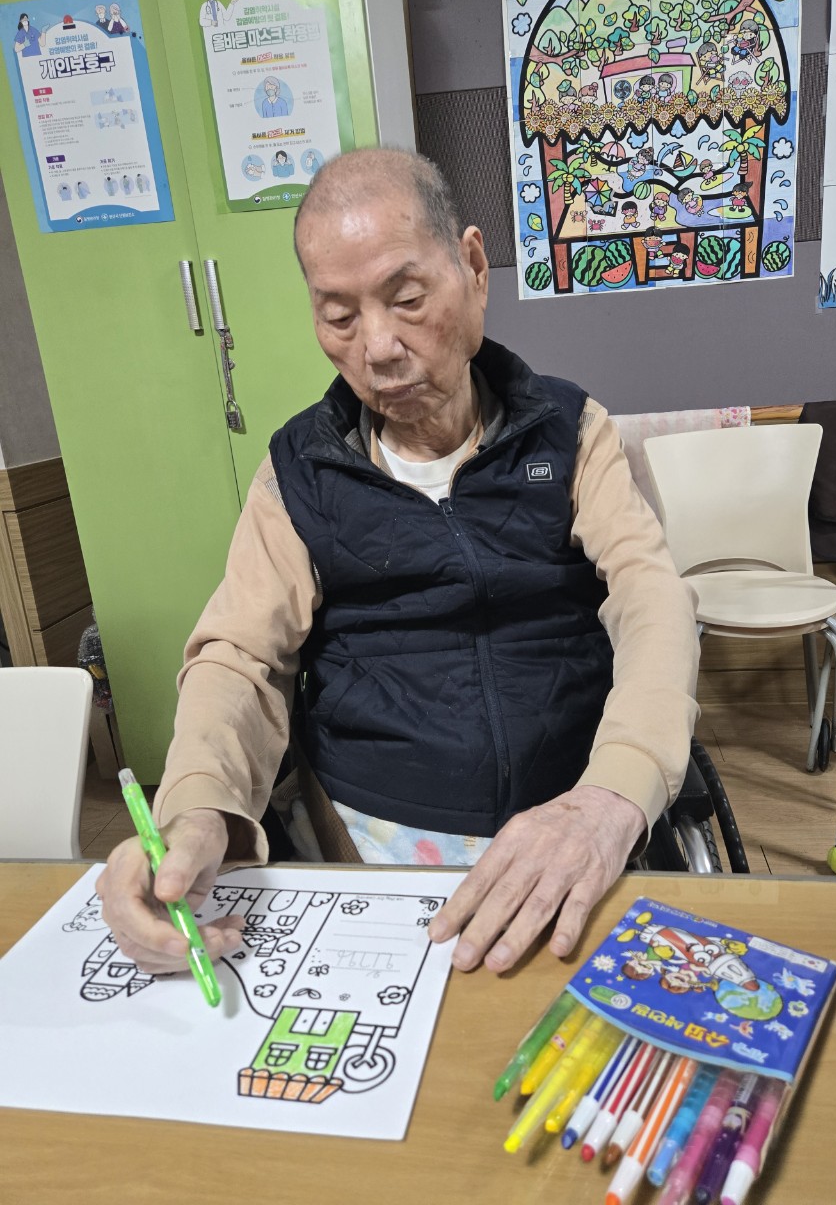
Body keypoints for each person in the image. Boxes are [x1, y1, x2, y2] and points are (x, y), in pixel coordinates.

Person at [96, 149, 698, 980]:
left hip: (573, 818)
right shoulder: (299, 470)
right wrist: (199, 808)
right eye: (338, 316)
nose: (379, 347)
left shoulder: (569, 431)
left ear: (474, 268)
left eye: (408, 299)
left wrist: (611, 797)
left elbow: (650, 594)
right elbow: (238, 656)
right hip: (371, 841)